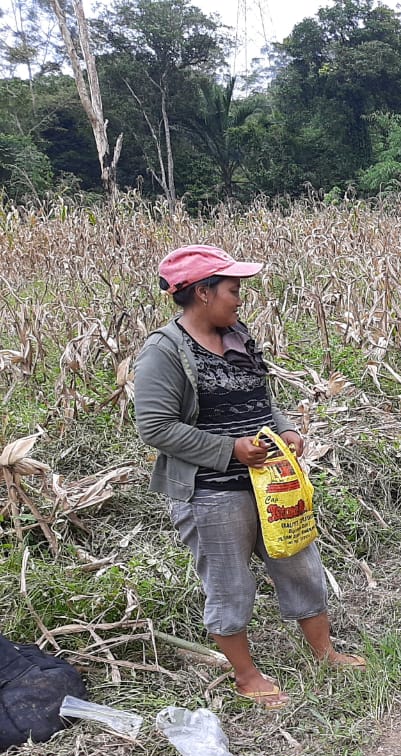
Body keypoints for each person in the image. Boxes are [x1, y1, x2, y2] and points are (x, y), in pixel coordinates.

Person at [133, 244, 366, 710]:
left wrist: (287, 430)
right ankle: (246, 675)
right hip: (212, 493)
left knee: (300, 562)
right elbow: (154, 427)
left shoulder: (237, 335)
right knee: (229, 583)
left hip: (272, 482)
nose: (240, 300)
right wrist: (229, 450)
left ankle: (324, 652)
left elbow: (261, 400)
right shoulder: (164, 351)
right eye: (233, 290)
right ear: (202, 293)